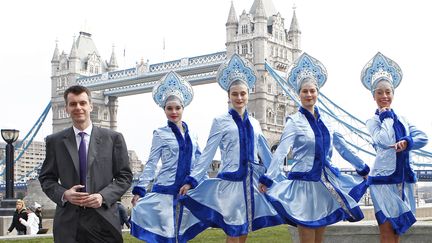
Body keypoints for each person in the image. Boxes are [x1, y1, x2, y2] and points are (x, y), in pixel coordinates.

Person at [258, 53, 370, 243]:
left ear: (317, 92)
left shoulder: (327, 120)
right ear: (299, 94)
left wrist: (362, 168)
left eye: (312, 91)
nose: (309, 95)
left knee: (319, 238)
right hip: (303, 186)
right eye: (304, 91)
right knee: (307, 238)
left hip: (323, 185)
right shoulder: (294, 121)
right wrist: (268, 178)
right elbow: (282, 151)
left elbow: (341, 146)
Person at [179, 54, 283, 243]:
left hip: (251, 184)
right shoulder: (220, 122)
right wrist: (192, 180)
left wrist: (277, 177)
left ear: (248, 94)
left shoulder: (254, 122)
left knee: (243, 231)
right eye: (235, 94)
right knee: (233, 232)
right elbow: (208, 154)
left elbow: (265, 154)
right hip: (230, 185)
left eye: (242, 94)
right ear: (228, 96)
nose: (239, 98)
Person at [38, 85, 133, 243]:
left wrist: (102, 196)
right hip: (68, 224)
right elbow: (46, 178)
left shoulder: (113, 138)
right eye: (73, 104)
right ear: (67, 108)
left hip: (104, 221)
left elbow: (125, 176)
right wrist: (64, 194)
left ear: (91, 105)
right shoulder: (54, 141)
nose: (78, 107)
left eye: (82, 103)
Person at [130, 71, 207, 243]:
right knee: (167, 237)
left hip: (188, 191)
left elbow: (200, 162)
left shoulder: (193, 134)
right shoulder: (159, 134)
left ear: (183, 108)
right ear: (164, 109)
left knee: (181, 236)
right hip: (165, 191)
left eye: (177, 108)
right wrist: (140, 189)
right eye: (169, 108)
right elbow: (151, 163)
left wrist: (205, 184)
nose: (174, 112)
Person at [360, 52, 428, 242]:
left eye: (388, 92)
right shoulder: (372, 121)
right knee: (387, 231)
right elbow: (382, 140)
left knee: (397, 231)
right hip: (383, 181)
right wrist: (386, 116)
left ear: (393, 94)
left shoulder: (404, 120)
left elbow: (422, 137)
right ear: (373, 96)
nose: (384, 96)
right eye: (380, 92)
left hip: (403, 180)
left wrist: (407, 142)